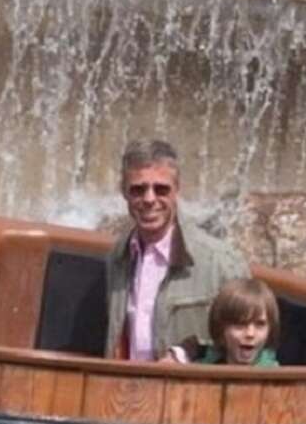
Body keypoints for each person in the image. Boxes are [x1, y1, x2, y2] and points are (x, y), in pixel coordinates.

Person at [104, 138, 250, 362]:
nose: (149, 199)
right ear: (124, 192)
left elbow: (251, 347)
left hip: (189, 393)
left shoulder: (221, 263)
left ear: (177, 190)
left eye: (161, 189)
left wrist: (184, 355)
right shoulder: (117, 257)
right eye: (138, 190)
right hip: (126, 391)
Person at [199, 278, 281, 366]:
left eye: (260, 324)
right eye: (240, 324)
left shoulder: (277, 376)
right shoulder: (201, 374)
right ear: (220, 328)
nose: (250, 334)